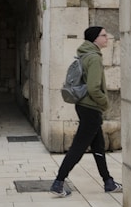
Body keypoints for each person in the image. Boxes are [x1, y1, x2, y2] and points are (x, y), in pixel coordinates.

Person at [50, 26, 122, 196]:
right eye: (104, 35)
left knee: (98, 145)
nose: (107, 38)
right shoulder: (94, 58)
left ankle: (108, 181)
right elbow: (93, 88)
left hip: (84, 106)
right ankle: (58, 183)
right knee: (79, 146)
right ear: (95, 39)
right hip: (91, 108)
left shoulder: (84, 54)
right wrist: (105, 103)